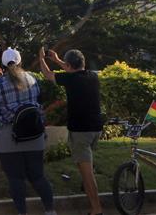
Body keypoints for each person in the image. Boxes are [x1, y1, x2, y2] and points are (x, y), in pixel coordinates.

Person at [0, 47, 56, 215]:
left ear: (3, 64)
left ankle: (22, 212)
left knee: (16, 179)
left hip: (8, 138)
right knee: (38, 176)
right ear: (20, 61)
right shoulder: (33, 79)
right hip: (34, 136)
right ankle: (50, 210)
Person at [39, 47, 104, 215]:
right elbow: (72, 68)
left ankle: (96, 209)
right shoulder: (92, 76)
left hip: (81, 130)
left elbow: (47, 74)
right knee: (86, 167)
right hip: (96, 129)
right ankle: (92, 200)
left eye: (65, 65)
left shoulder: (70, 79)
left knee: (87, 174)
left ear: (68, 66)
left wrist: (42, 58)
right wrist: (58, 60)